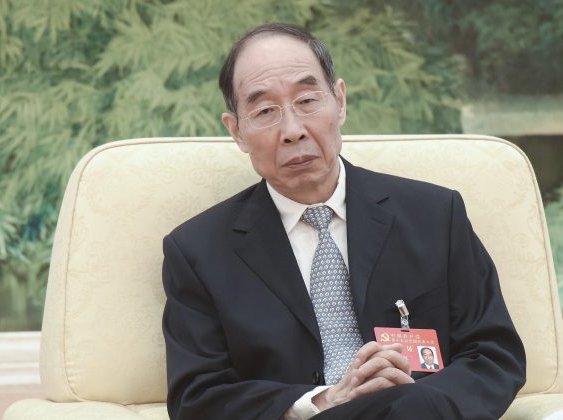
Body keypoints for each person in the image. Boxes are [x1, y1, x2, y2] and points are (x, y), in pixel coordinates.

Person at [161, 22, 525, 420]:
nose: (293, 130)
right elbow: (197, 397)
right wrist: (326, 402)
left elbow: (494, 354)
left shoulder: (436, 215)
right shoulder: (198, 251)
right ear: (237, 131)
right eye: (265, 111)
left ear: (340, 102)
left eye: (307, 100)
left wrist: (419, 405)